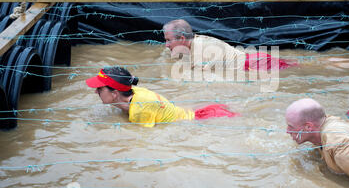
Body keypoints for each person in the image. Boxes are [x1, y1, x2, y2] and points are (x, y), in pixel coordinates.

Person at [85, 66, 239, 128]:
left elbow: (147, 138)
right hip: (208, 111)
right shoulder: (137, 92)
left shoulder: (138, 112)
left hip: (207, 120)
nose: (95, 92)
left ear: (114, 94)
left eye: (99, 89)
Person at [162, 19, 298, 71]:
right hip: (253, 60)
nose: (166, 45)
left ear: (181, 38)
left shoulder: (201, 48)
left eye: (168, 40)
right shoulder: (190, 44)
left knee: (298, 68)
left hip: (256, 64)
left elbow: (198, 74)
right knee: (296, 65)